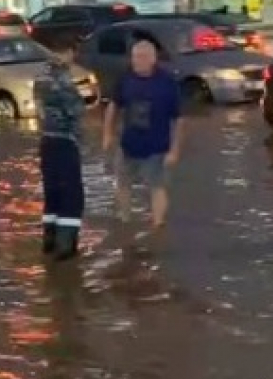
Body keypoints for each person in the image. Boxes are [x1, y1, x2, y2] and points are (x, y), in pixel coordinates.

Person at [102, 39, 183, 230]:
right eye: (135, 57)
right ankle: (124, 219)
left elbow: (179, 119)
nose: (138, 61)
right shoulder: (125, 79)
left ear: (153, 59)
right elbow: (113, 106)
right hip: (129, 143)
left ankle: (158, 224)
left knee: (157, 185)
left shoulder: (167, 83)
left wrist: (175, 149)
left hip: (157, 146)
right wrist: (107, 133)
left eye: (142, 57)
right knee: (122, 182)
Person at [32, 39, 87, 260]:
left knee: (52, 193)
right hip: (66, 141)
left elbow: (39, 108)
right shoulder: (63, 78)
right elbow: (75, 110)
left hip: (47, 141)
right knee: (71, 195)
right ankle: (66, 247)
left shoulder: (40, 75)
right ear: (66, 52)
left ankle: (49, 241)